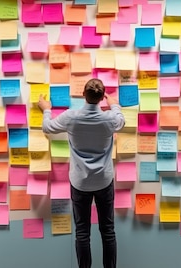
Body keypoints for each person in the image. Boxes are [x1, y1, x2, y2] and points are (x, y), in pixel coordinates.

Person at [38, 78, 125, 268]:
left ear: (83, 94)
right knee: (108, 231)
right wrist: (115, 105)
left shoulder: (71, 117)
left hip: (80, 183)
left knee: (82, 233)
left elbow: (47, 127)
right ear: (102, 97)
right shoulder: (110, 119)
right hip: (104, 181)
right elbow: (121, 120)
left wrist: (46, 109)